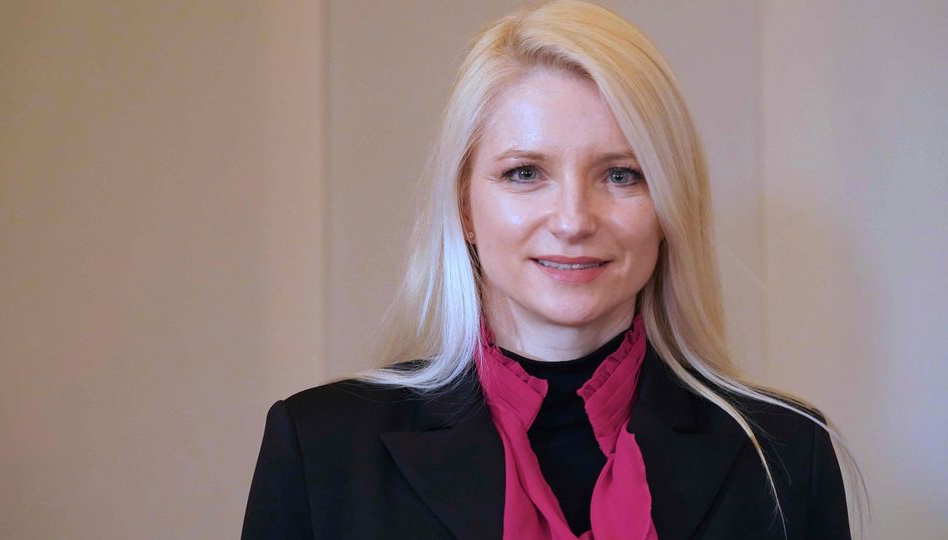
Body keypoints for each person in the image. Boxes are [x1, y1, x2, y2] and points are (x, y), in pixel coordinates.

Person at [242, 1, 860, 538]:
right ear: (464, 206)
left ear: (669, 206)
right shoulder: (319, 448)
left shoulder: (788, 454)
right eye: (525, 173)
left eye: (620, 175)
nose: (573, 220)